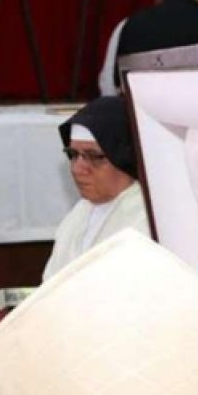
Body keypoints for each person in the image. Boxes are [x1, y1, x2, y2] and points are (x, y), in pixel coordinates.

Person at [43, 96, 151, 280]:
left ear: (123, 157)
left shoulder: (147, 221)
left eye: (94, 157)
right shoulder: (79, 213)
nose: (77, 169)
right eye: (73, 155)